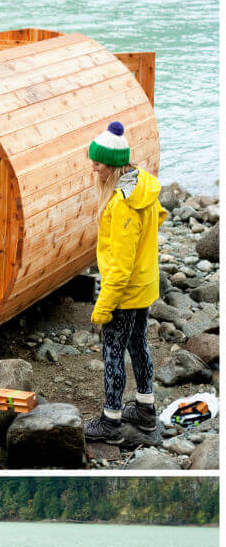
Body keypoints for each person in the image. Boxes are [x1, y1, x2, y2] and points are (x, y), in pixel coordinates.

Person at [84, 121, 166, 444]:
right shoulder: (143, 185)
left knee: (113, 352)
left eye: (99, 162)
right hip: (145, 286)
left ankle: (111, 421)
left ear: (114, 164)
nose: (94, 167)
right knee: (139, 345)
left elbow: (119, 268)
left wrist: (102, 309)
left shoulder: (121, 204)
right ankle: (146, 410)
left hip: (125, 293)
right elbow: (158, 215)